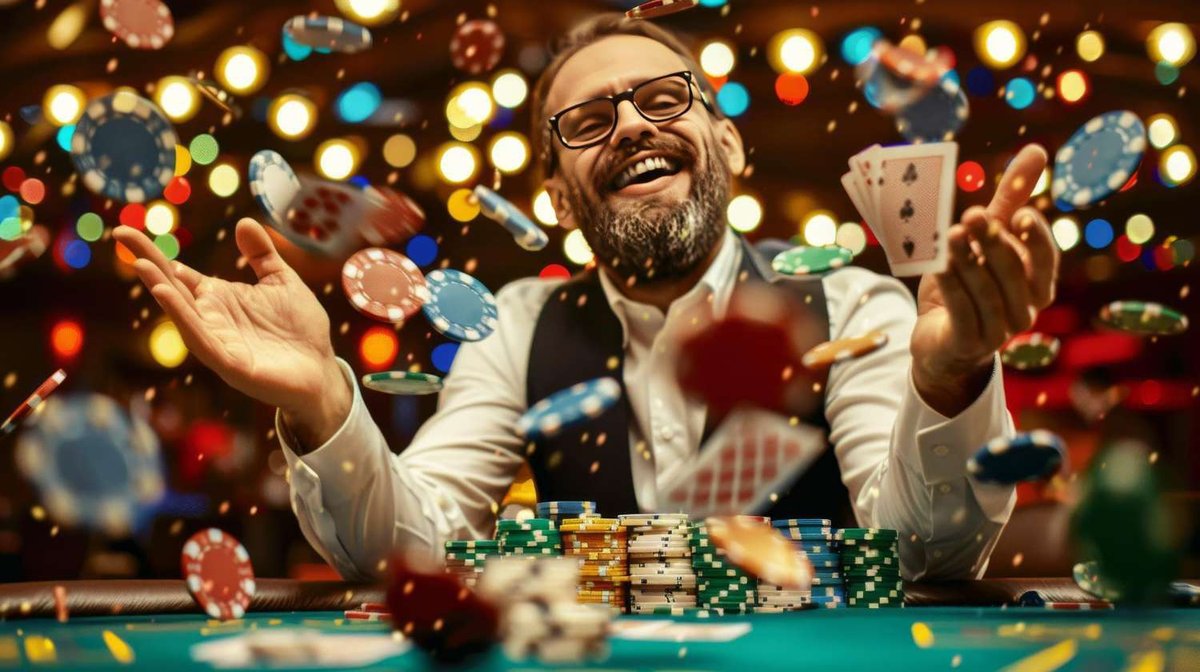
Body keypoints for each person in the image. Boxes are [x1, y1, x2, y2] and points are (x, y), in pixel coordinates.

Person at [115, 14, 1059, 582]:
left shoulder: (855, 306)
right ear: (560, 194)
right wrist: (322, 399)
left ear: (728, 146)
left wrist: (946, 377)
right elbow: (414, 548)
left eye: (663, 99)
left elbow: (922, 556)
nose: (631, 129)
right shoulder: (515, 324)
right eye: (588, 121)